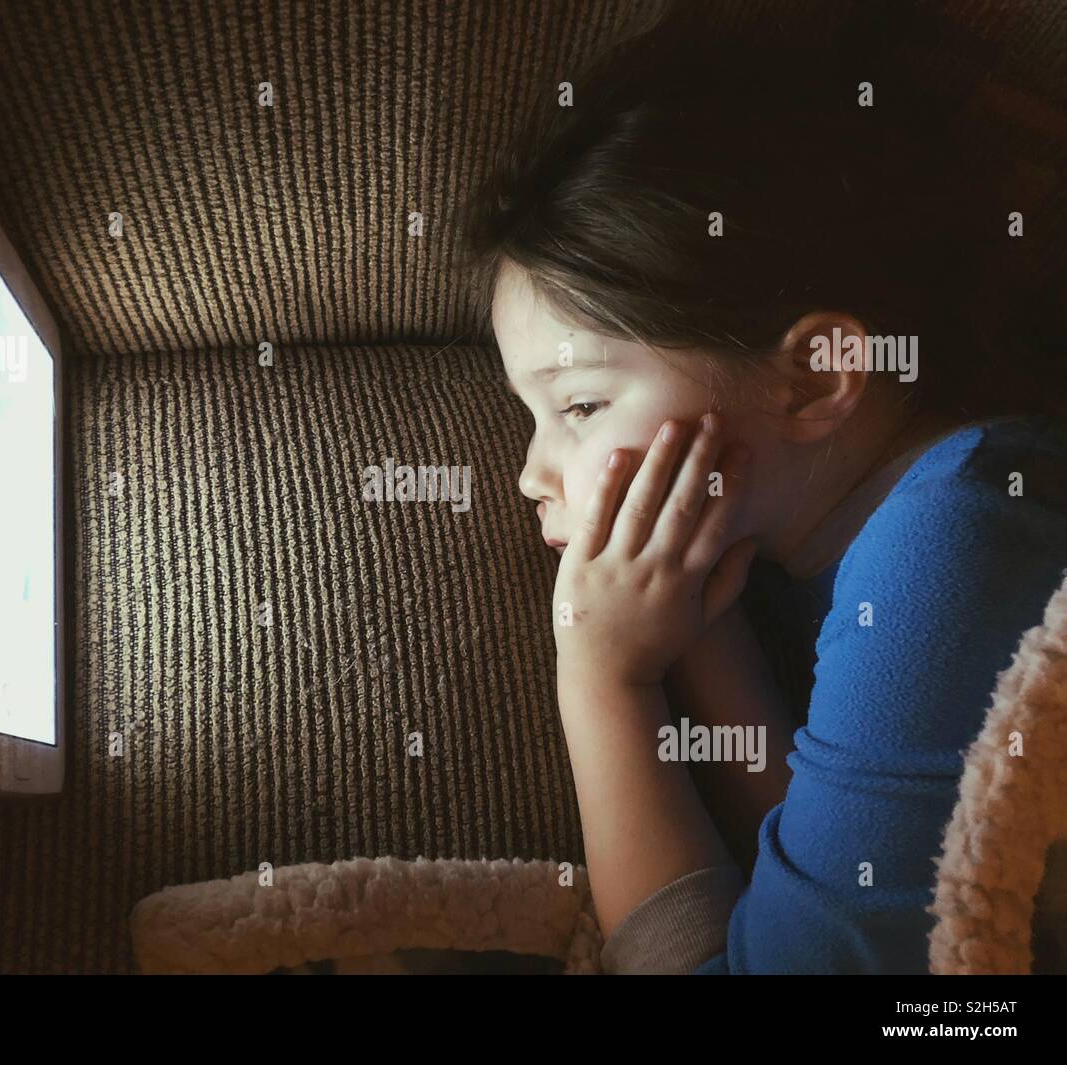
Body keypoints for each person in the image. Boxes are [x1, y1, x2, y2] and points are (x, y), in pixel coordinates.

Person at [454, 3, 1067, 973]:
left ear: (817, 377)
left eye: (577, 407)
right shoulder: (861, 535)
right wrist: (702, 634)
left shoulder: (952, 547)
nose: (529, 473)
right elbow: (826, 868)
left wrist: (603, 679)